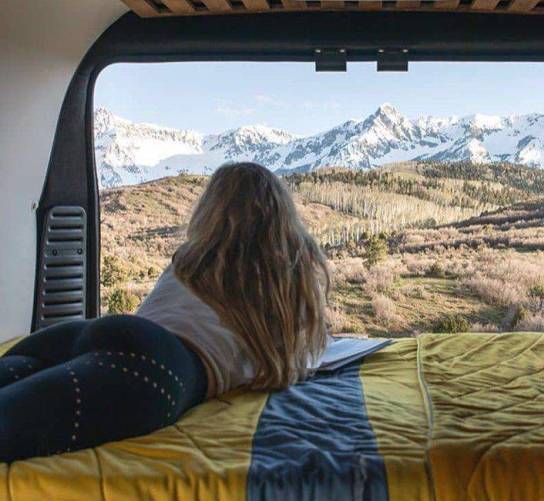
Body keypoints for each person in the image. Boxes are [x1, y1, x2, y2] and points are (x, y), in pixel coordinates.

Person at [0, 163, 330, 463]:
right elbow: (287, 361)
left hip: (103, 330)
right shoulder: (289, 274)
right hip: (164, 364)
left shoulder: (192, 259)